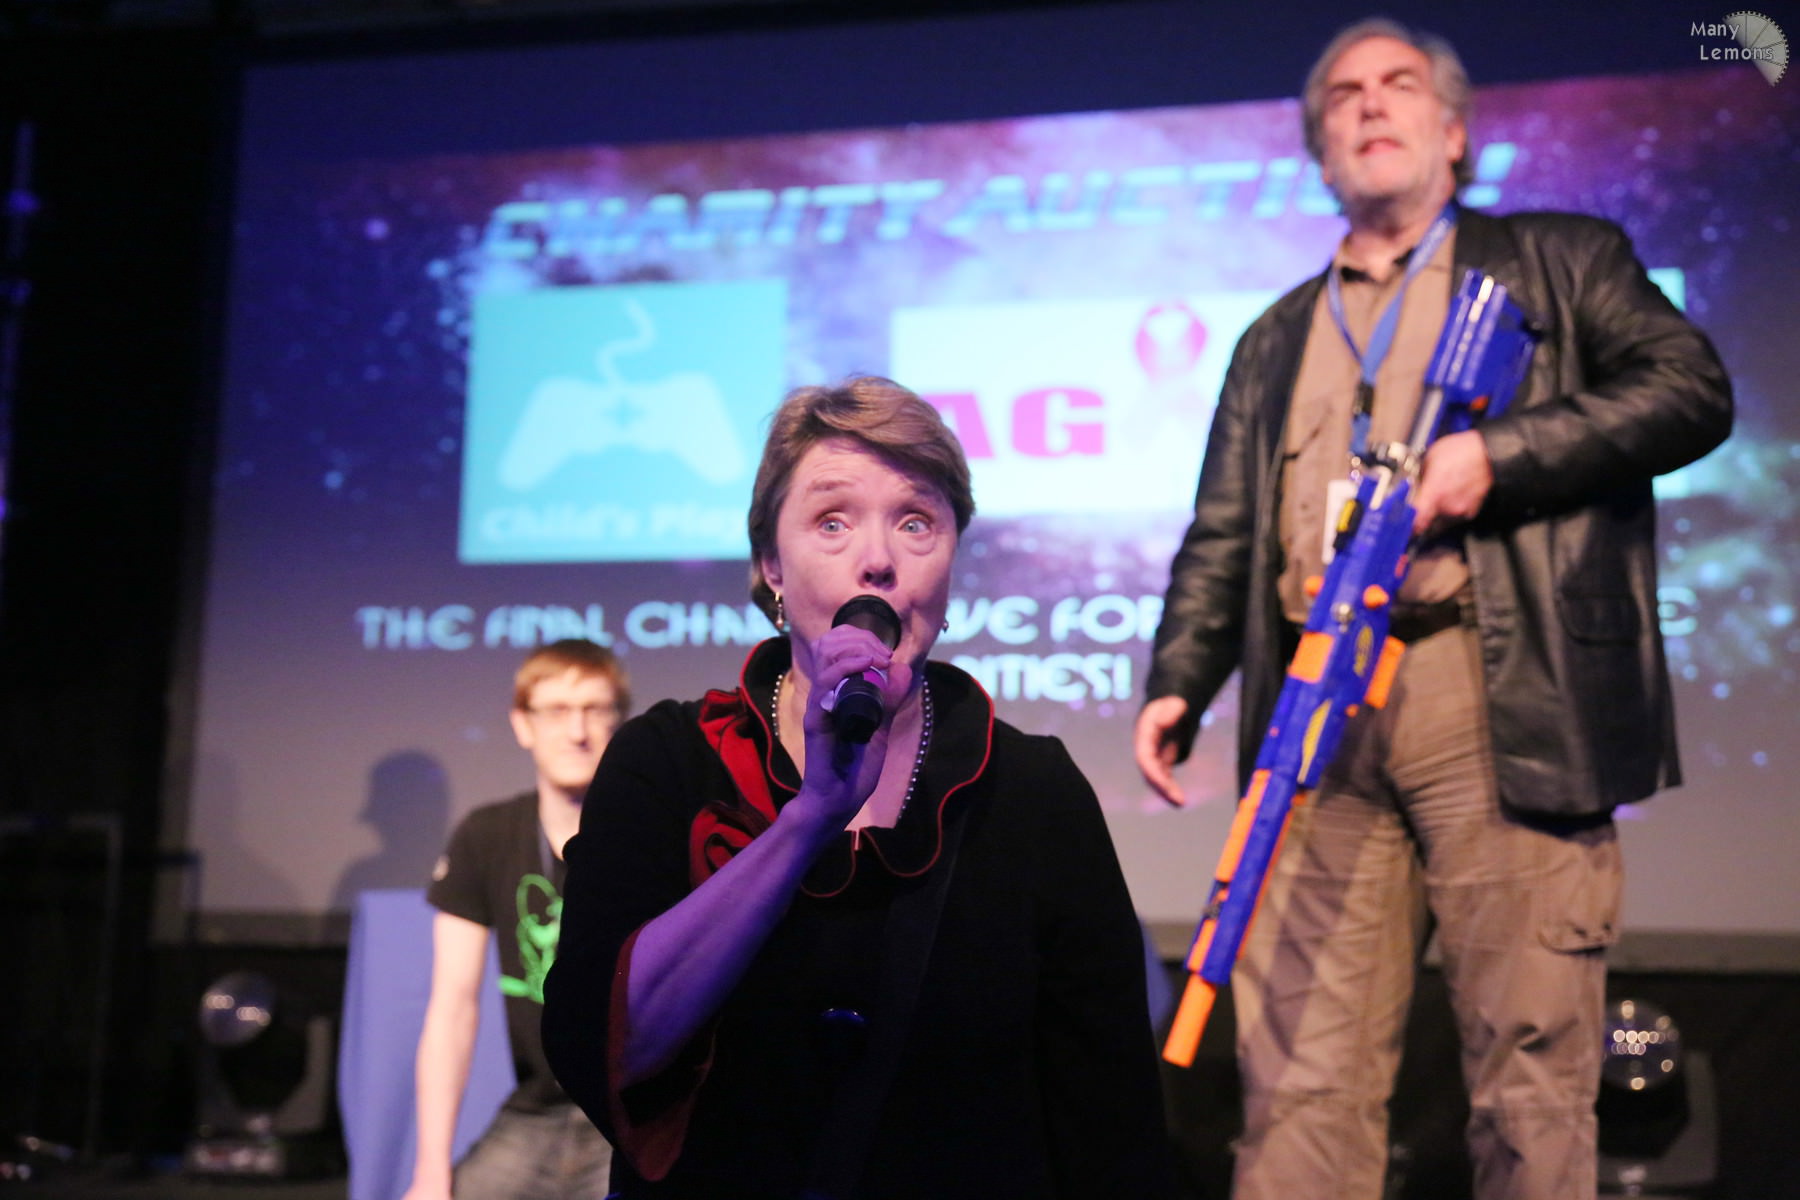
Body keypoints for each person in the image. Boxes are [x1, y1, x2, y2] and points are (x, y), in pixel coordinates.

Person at [1133, 19, 1732, 1200]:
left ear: (1454, 134)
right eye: (1343, 94)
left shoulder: (1561, 260)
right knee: (1296, 1076)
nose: (1370, 104)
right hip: (1316, 709)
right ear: (1318, 150)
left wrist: (1499, 457)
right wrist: (1178, 681)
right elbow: (1226, 530)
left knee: (1529, 1071)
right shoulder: (1275, 336)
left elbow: (1690, 388)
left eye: (1399, 84)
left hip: (1493, 692)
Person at [542, 376, 1173, 1199]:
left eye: (916, 522)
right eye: (832, 522)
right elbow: (603, 1044)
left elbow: (1111, 1125)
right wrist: (810, 818)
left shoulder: (1031, 790)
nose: (877, 560)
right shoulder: (667, 761)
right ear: (770, 563)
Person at [403, 639, 628, 1200]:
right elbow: (452, 1006)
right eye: (556, 710)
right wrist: (430, 1172)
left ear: (620, 722)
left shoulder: (654, 831)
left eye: (594, 709)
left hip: (630, 1115)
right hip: (535, 1114)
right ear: (523, 725)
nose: (577, 731)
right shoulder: (486, 834)